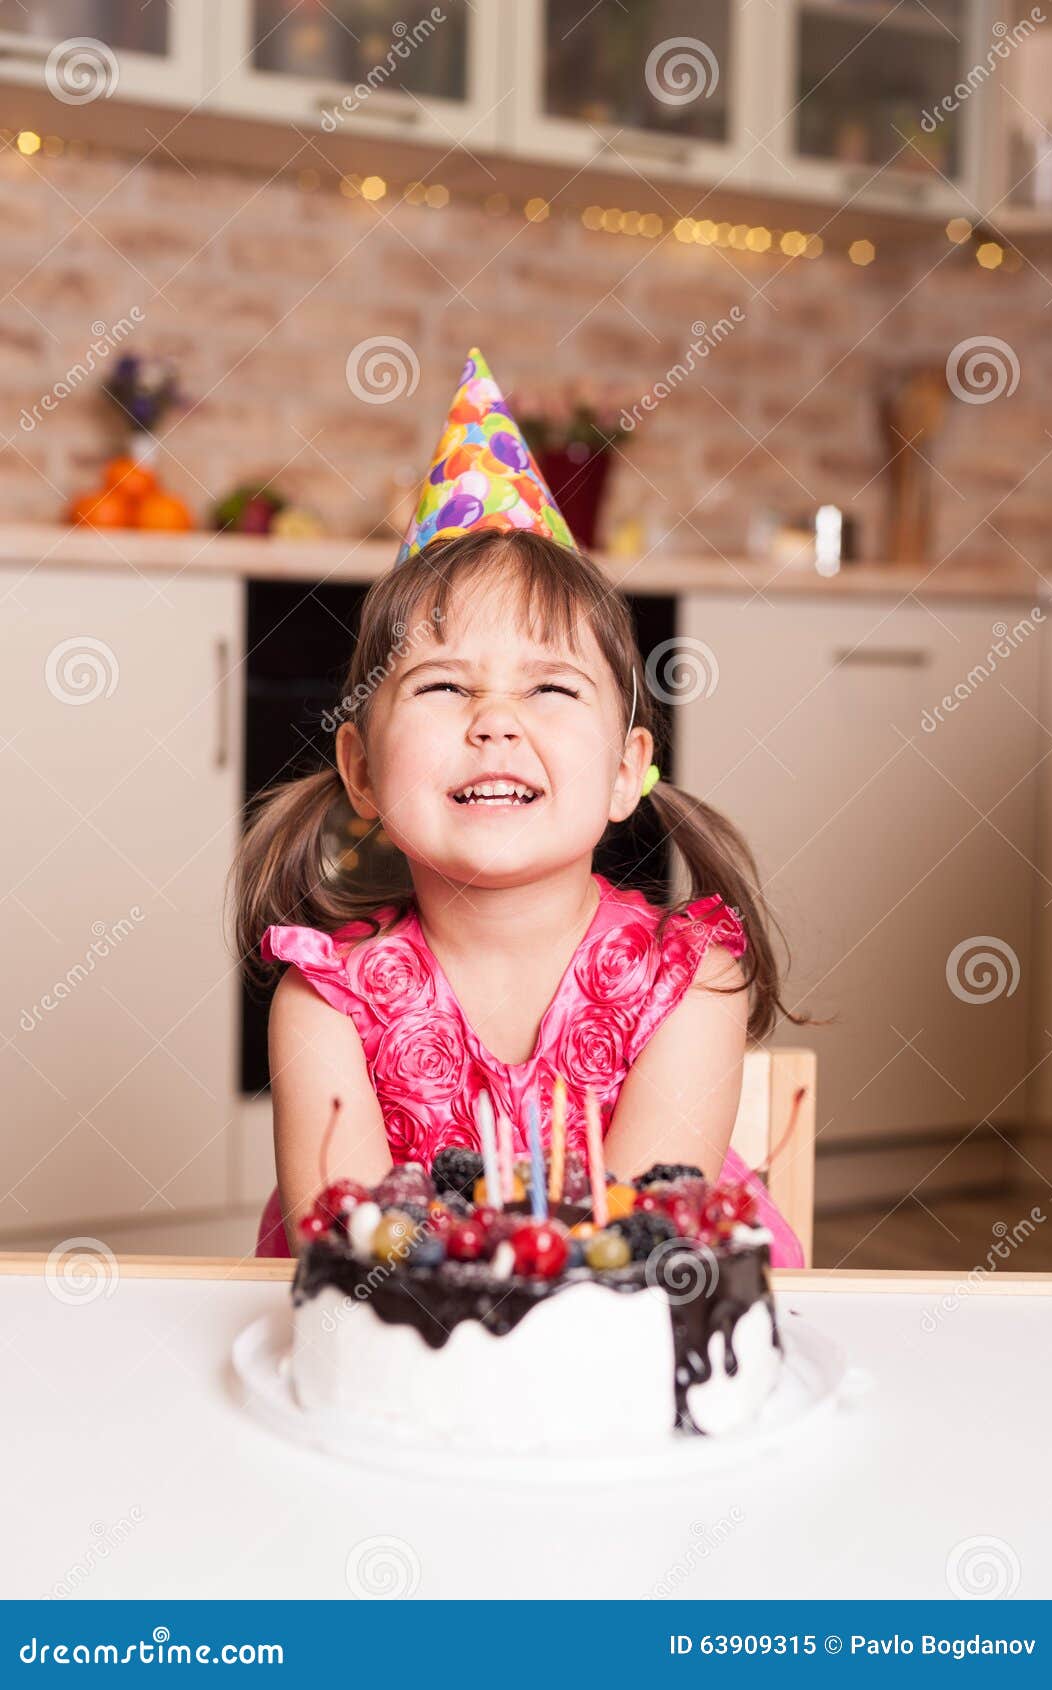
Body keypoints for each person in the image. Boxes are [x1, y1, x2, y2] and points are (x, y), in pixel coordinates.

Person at [232, 349, 809, 1265]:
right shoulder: (325, 1005)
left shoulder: (692, 985)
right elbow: (363, 1272)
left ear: (628, 771)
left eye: (550, 689)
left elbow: (625, 1261)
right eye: (440, 688)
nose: (495, 721)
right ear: (361, 771)